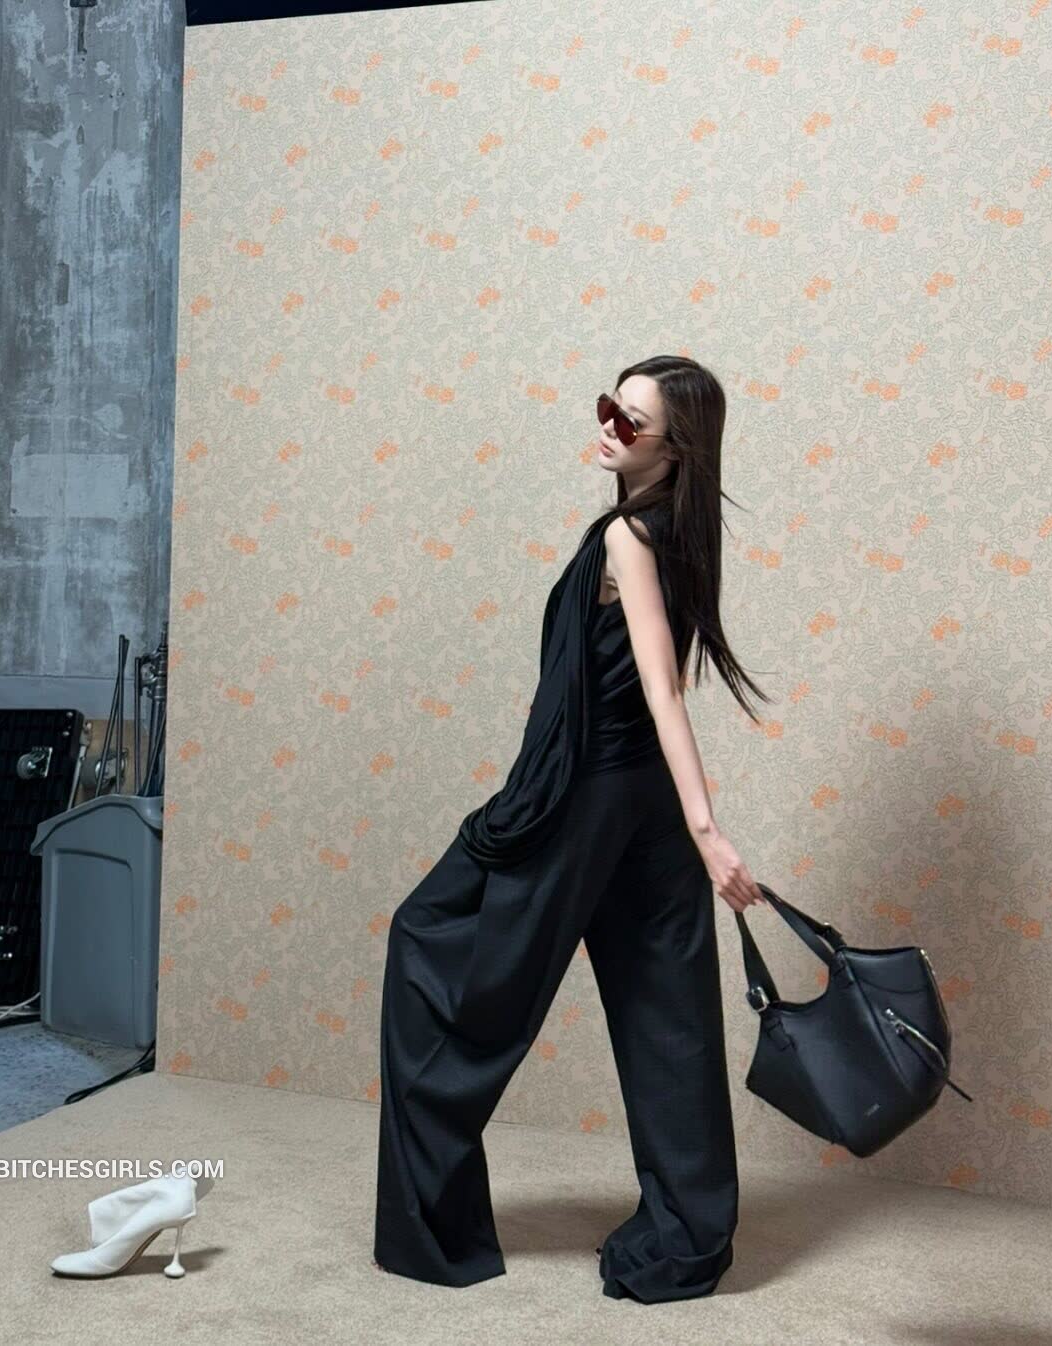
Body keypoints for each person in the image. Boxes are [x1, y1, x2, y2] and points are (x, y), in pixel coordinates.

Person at [372, 354, 775, 1303]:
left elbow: (660, 690)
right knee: (666, 1015)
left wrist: (709, 830)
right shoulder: (677, 528)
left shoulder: (630, 536)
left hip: (582, 797)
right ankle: (688, 1237)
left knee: (432, 947)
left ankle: (435, 1229)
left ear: (676, 450)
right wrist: (686, 827)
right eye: (608, 407)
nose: (608, 428)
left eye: (630, 421)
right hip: (641, 805)